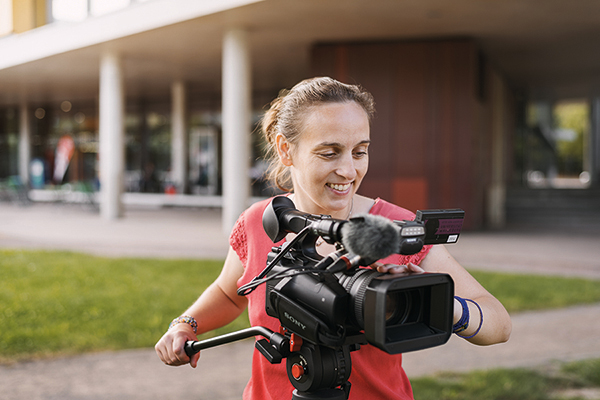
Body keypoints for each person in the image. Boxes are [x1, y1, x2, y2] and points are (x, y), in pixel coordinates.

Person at [155, 77, 512, 399]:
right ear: (285, 149)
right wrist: (185, 324)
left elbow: (499, 323)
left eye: (360, 151)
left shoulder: (393, 227)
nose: (348, 170)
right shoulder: (260, 222)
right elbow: (228, 293)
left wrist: (442, 307)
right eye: (329, 152)